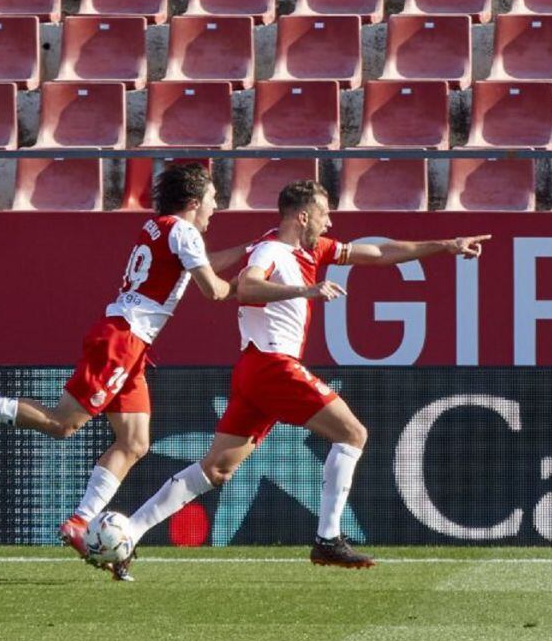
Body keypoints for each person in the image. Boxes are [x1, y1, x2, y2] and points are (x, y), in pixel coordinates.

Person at [116, 179, 489, 577]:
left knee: (216, 469)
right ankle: (327, 538)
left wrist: (446, 245)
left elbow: (379, 252)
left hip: (255, 371)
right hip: (273, 366)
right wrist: (306, 291)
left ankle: (128, 534)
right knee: (352, 434)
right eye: (325, 214)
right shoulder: (272, 249)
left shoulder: (309, 249)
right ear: (303, 215)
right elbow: (248, 285)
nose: (329, 224)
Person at [0, 164, 250, 579]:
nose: (216, 207)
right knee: (63, 424)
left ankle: (81, 521)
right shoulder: (183, 233)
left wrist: (246, 252)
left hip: (129, 341)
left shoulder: (163, 229)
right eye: (213, 198)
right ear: (193, 201)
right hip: (123, 340)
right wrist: (251, 282)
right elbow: (213, 290)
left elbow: (197, 266)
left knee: (134, 441)